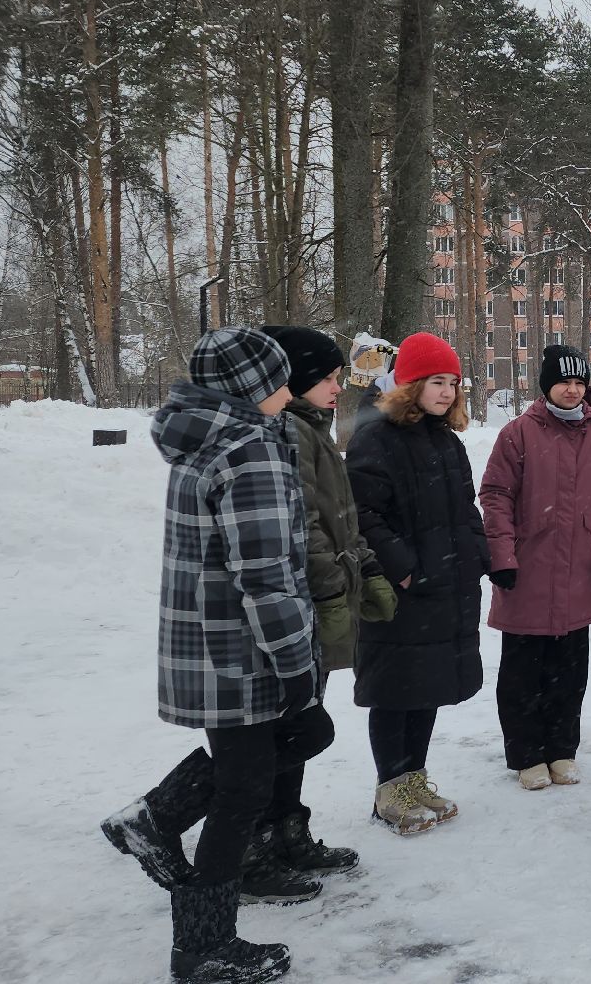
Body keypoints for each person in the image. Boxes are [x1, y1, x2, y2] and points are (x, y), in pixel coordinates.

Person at [99, 325, 325, 983]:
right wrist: (294, 663)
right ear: (254, 387)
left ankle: (153, 819)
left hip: (207, 646)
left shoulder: (205, 444)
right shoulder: (247, 453)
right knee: (244, 789)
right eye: (279, 377)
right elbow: (264, 574)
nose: (289, 388)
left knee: (251, 771)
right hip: (242, 654)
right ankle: (203, 946)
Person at [256, 326, 398, 882]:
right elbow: (307, 526)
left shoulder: (311, 428)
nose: (339, 386)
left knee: (298, 720)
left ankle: (289, 829)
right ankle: (259, 839)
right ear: (295, 378)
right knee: (284, 726)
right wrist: (332, 587)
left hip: (320, 595)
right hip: (301, 603)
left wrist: (364, 565)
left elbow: (342, 517)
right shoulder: (288, 434)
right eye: (330, 377)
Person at [346, 332, 488, 834]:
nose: (448, 392)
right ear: (409, 383)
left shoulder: (446, 441)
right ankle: (391, 786)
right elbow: (364, 513)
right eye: (436, 381)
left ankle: (414, 778)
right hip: (403, 592)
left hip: (445, 584)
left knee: (426, 686)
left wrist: (476, 551)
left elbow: (465, 508)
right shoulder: (376, 437)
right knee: (395, 690)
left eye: (453, 382)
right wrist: (404, 566)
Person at [479, 344, 591, 791]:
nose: (572, 389)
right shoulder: (518, 434)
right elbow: (496, 496)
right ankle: (527, 754)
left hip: (578, 570)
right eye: (564, 381)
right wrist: (502, 557)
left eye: (580, 382)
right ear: (547, 385)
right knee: (523, 672)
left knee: (569, 671)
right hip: (527, 571)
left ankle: (562, 750)